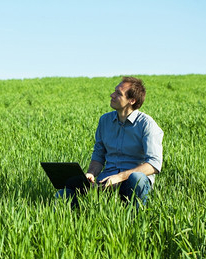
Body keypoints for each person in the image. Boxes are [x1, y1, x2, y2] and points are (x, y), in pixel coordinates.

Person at [56, 77, 163, 208]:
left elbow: (154, 164)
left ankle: (135, 220)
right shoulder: (105, 121)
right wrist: (91, 173)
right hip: (106, 181)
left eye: (118, 93)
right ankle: (77, 221)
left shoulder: (147, 124)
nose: (112, 95)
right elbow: (98, 155)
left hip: (131, 182)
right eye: (114, 91)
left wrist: (120, 177)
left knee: (137, 179)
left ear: (132, 100)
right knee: (63, 194)